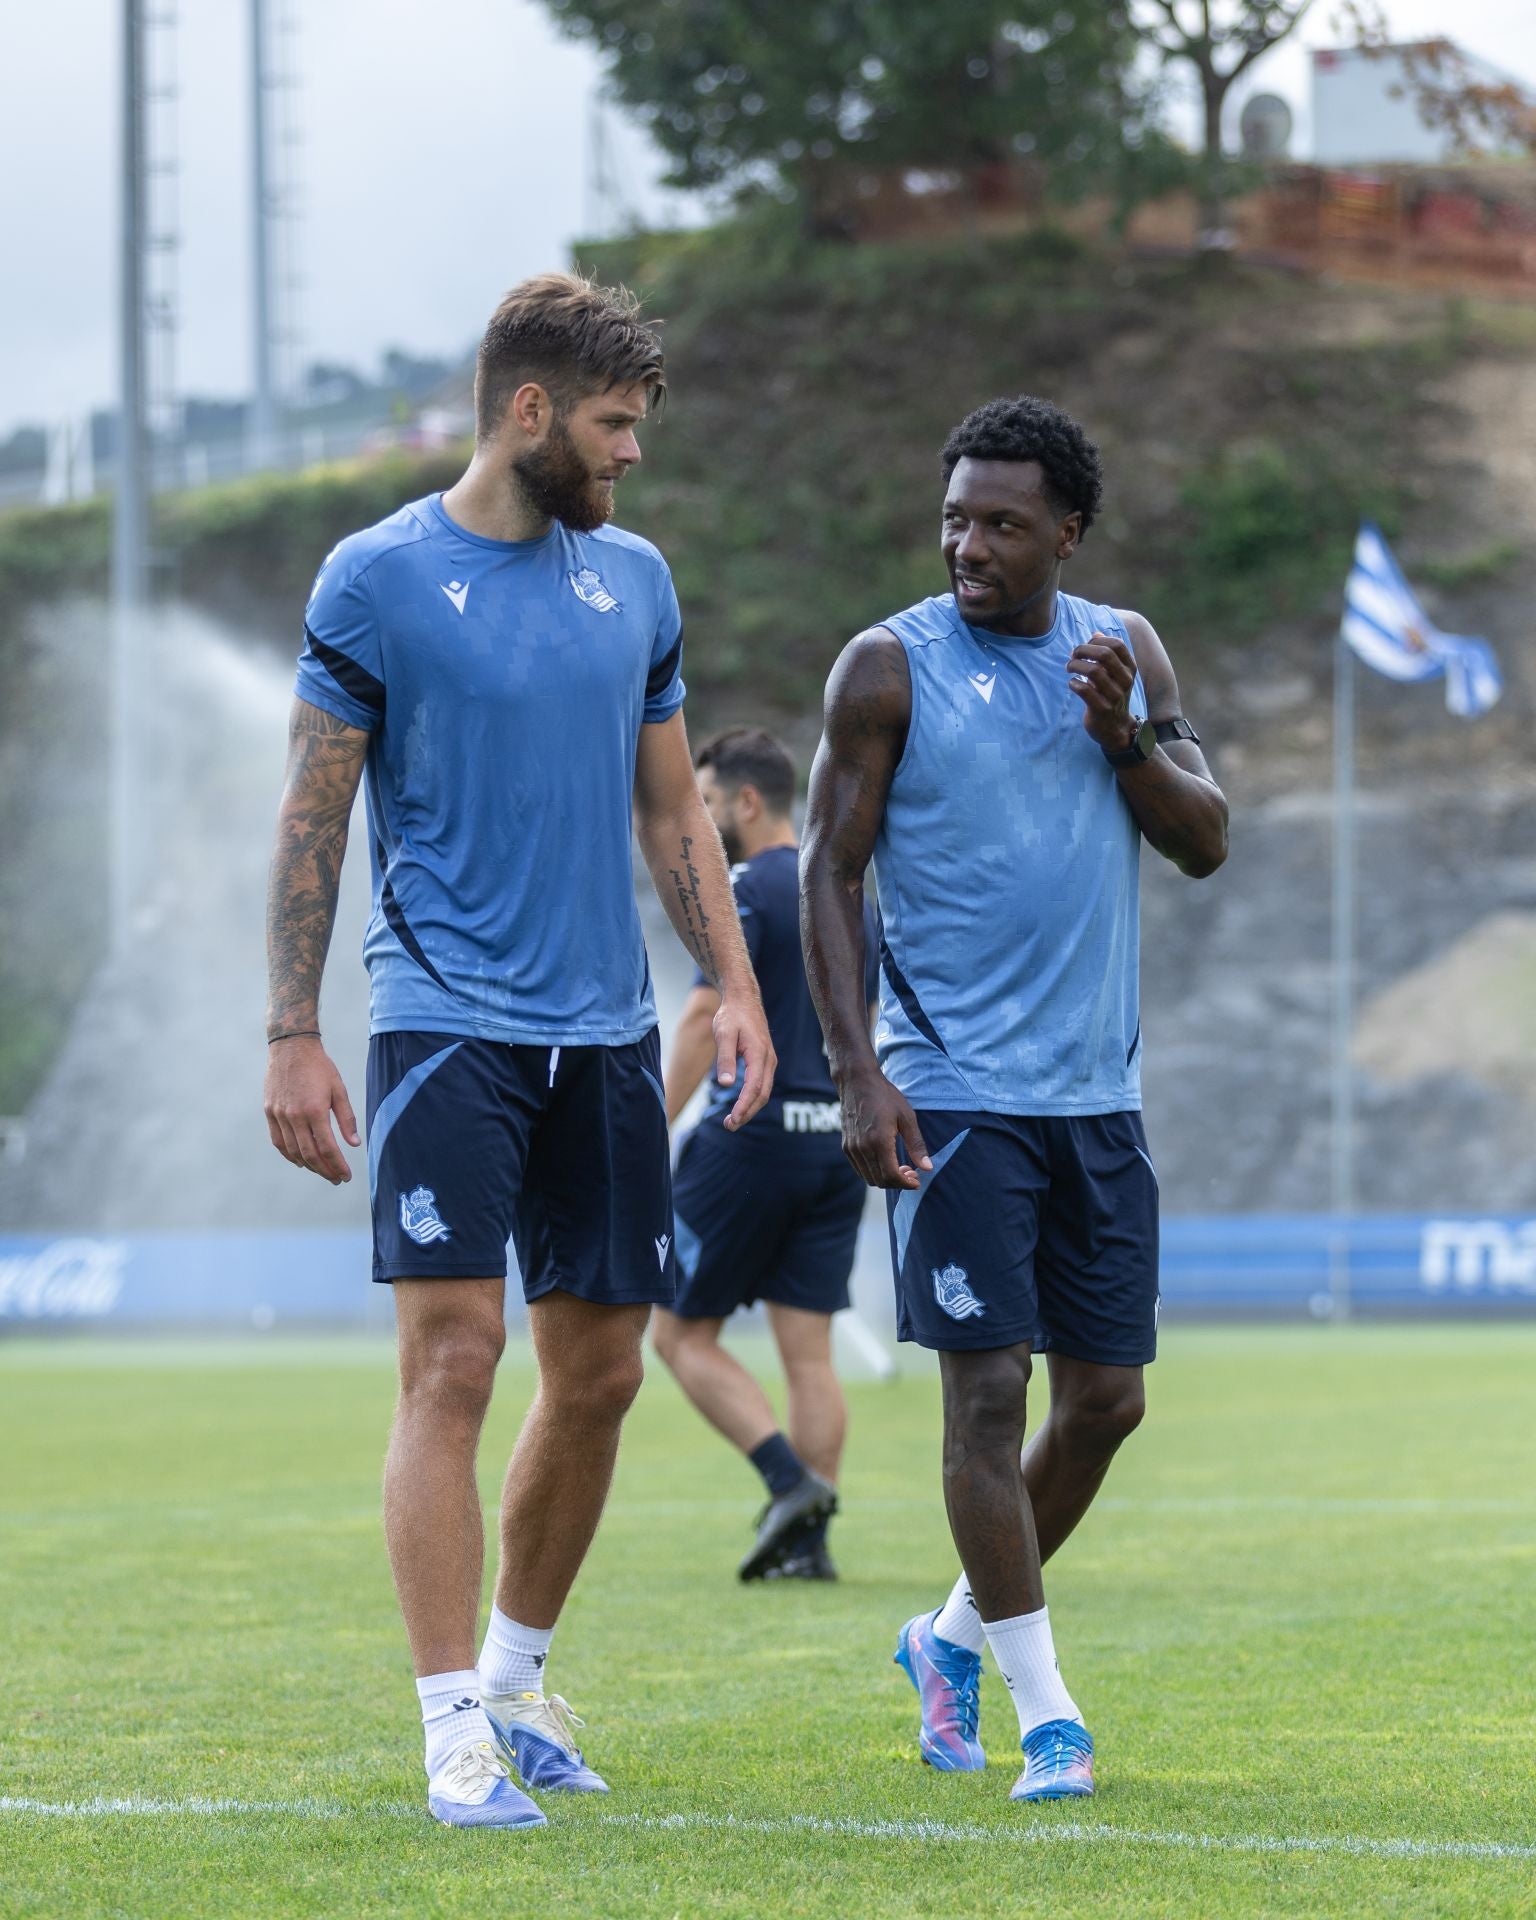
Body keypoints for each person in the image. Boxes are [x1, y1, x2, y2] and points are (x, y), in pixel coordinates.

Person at [261, 272, 774, 1831]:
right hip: (441, 1023)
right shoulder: (377, 579)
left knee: (604, 1372)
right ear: (529, 412)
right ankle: (446, 1731)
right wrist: (293, 1029)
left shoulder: (639, 582)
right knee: (456, 1360)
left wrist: (734, 989)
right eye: (612, 426)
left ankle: (517, 1674)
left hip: (608, 1032)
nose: (629, 457)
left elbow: (675, 810)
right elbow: (313, 814)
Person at [799, 395, 1227, 1803]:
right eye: (954, 517)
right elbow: (829, 874)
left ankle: (947, 1637)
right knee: (986, 1403)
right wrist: (859, 1071)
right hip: (951, 1095)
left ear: (1068, 532)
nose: (967, 544)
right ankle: (1049, 1716)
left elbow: (1207, 840)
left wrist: (1124, 738)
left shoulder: (1126, 653)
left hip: (1095, 1098)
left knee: (1107, 1404)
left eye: (1000, 522)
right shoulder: (887, 669)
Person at [652, 727, 878, 1583]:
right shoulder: (851, 892)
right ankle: (809, 1547)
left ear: (748, 803)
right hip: (836, 1148)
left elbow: (706, 1018)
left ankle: (789, 1487)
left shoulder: (741, 887)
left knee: (677, 1335)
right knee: (809, 1356)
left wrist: (648, 1127)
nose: (702, 826)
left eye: (708, 806)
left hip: (747, 1143)